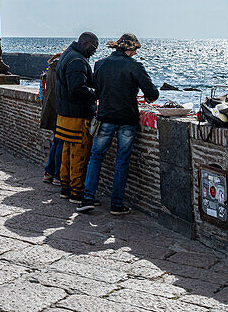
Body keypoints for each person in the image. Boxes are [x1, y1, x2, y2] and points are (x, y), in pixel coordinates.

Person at [78, 34, 159, 215]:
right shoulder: (134, 66)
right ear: (128, 49)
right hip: (126, 120)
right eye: (135, 49)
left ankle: (88, 198)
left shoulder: (100, 64)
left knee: (96, 157)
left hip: (105, 116)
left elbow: (96, 90)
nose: (136, 53)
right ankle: (116, 204)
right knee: (122, 161)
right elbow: (152, 93)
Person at [55, 32, 99, 202]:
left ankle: (65, 187)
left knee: (67, 152)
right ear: (86, 44)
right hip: (77, 116)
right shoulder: (78, 61)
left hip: (65, 114)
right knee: (79, 154)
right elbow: (77, 89)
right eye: (94, 48)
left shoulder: (67, 54)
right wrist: (96, 93)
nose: (94, 52)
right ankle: (77, 191)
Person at [39, 52, 63, 185]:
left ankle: (49, 172)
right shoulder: (60, 69)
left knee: (56, 141)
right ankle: (57, 175)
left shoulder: (50, 70)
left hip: (50, 110)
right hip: (59, 110)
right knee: (59, 142)